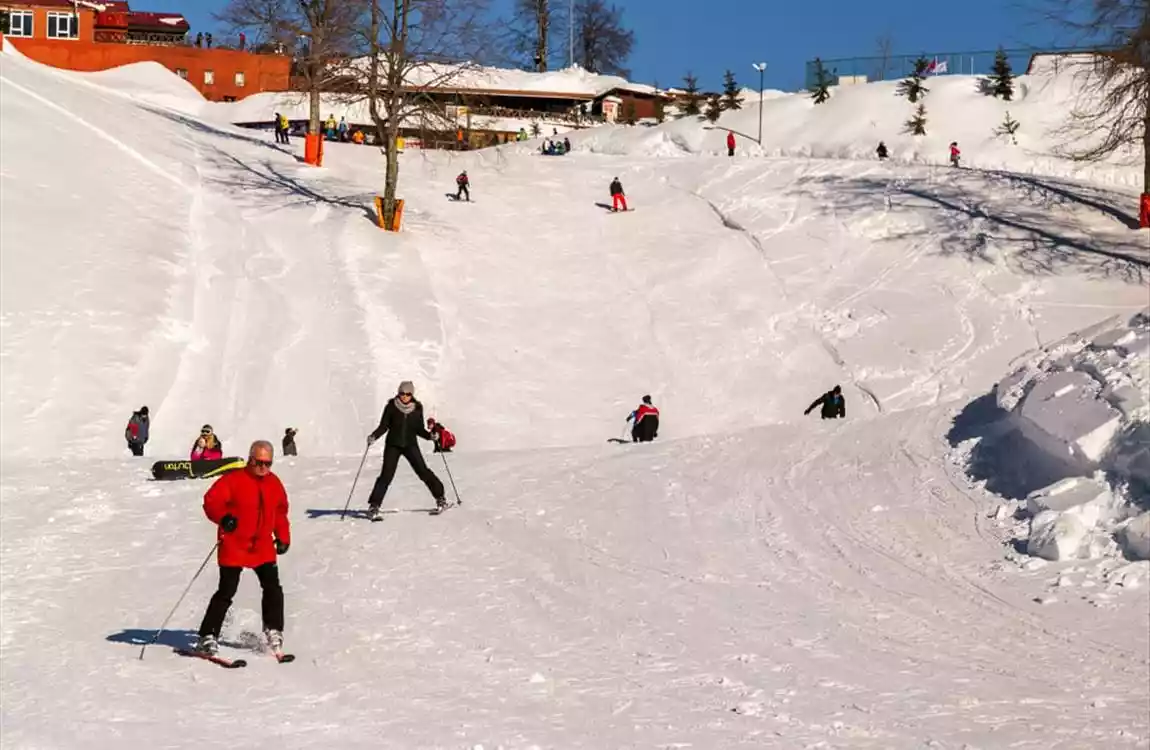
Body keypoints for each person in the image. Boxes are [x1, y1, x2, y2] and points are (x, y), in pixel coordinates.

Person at [195, 440, 290, 657]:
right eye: (259, 462)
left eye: (268, 463)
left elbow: (280, 512)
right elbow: (211, 502)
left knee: (272, 587)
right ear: (250, 459)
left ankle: (273, 629)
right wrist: (223, 517)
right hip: (234, 544)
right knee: (227, 591)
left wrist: (283, 537)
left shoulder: (274, 483)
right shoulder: (234, 480)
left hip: (262, 545)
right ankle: (207, 635)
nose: (263, 468)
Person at [365, 381, 447, 520]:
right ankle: (374, 506)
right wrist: (374, 436)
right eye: (402, 393)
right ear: (398, 392)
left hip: (410, 445)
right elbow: (384, 426)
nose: (404, 396)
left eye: (408, 394)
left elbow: (419, 429)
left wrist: (430, 436)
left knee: (423, 472)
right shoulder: (391, 407)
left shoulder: (417, 408)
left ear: (412, 395)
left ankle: (440, 498)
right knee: (386, 476)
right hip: (393, 445)